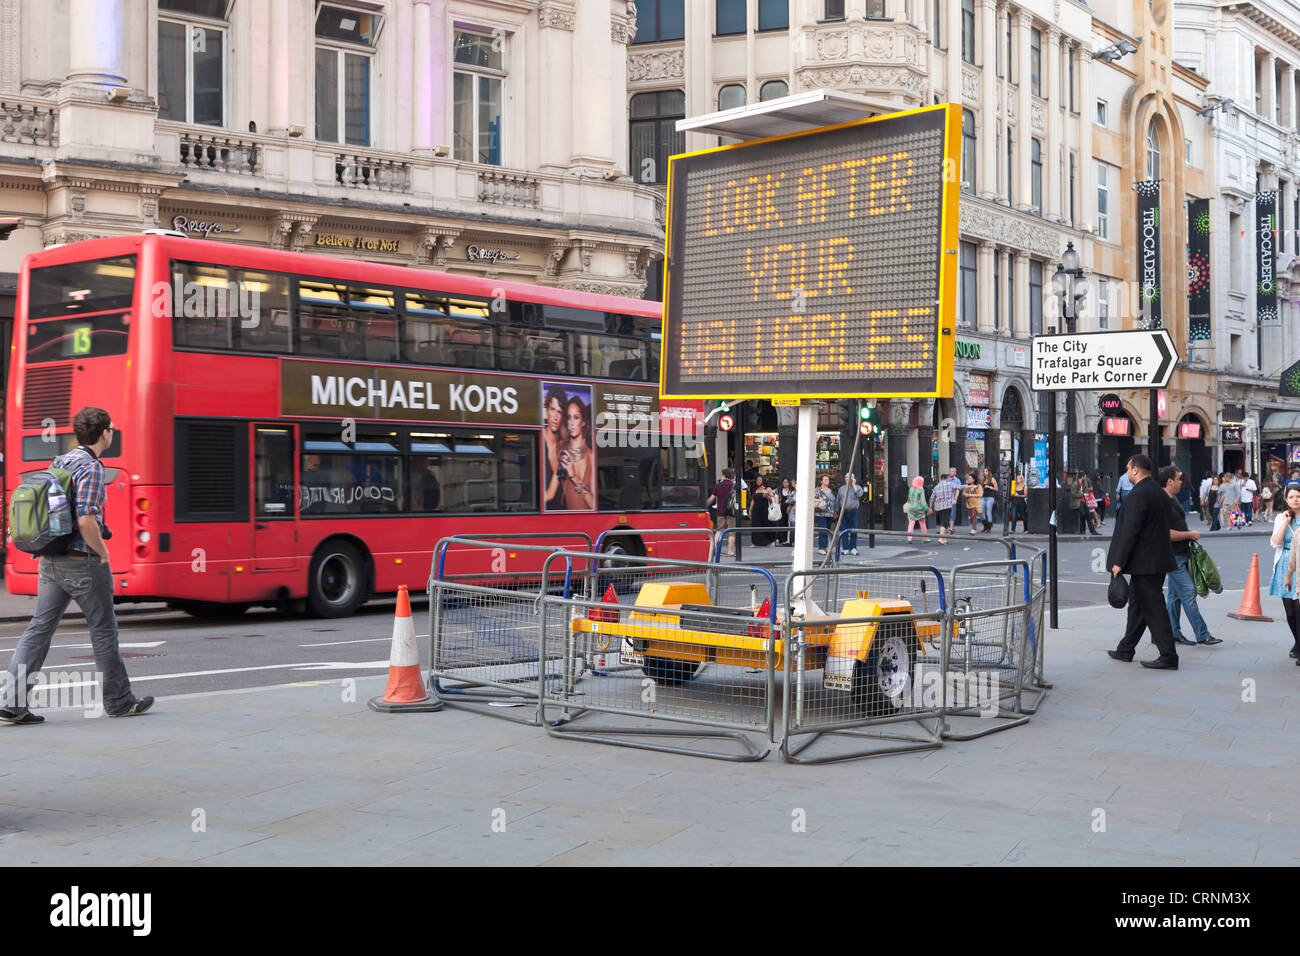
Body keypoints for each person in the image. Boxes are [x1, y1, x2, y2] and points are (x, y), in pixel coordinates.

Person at [1, 407, 153, 723]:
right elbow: (85, 519)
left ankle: (12, 702)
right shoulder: (93, 468)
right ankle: (120, 701)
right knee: (103, 630)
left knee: (39, 628)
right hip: (81, 562)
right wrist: (104, 552)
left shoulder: (61, 461)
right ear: (105, 433)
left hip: (50, 559)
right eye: (111, 429)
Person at [1106, 454, 1179, 670]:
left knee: (1154, 609)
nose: (1127, 472)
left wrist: (1119, 561)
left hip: (1146, 562)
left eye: (1128, 468)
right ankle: (1125, 649)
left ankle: (1168, 656)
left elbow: (1131, 531)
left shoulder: (1139, 494)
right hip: (1154, 560)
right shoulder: (1157, 491)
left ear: (1136, 469)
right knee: (1138, 606)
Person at [1160, 466, 1221, 648]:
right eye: (1179, 479)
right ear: (1169, 481)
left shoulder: (1173, 499)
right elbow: (1165, 533)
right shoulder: (1163, 502)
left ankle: (1173, 632)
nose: (1182, 482)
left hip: (1181, 553)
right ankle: (1202, 634)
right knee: (1189, 592)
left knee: (1174, 596)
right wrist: (1189, 535)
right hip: (1172, 556)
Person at [1273, 483, 1300, 660]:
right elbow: (1276, 542)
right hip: (1285, 564)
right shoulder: (1281, 518)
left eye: (1298, 496)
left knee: (1299, 611)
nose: (1295, 500)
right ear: (1285, 499)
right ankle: (1298, 642)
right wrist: (1286, 522)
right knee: (1290, 612)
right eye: (1291, 497)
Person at [541, 385, 568, 510]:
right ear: (546, 410)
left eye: (560, 412)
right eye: (552, 409)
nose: (556, 417)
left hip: (563, 513)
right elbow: (548, 495)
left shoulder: (564, 446)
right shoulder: (538, 440)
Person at [705, 467, 737, 558]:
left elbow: (711, 498)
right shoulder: (733, 485)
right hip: (731, 511)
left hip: (720, 511)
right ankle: (729, 551)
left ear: (723, 475)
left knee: (719, 530)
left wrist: (704, 505)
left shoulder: (718, 485)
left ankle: (713, 549)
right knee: (731, 531)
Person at [836, 472, 866, 554]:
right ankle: (845, 548)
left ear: (853, 479)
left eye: (849, 477)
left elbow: (859, 494)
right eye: (846, 477)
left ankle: (853, 548)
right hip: (843, 511)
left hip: (853, 511)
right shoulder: (841, 489)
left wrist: (853, 485)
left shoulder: (858, 487)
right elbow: (838, 500)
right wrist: (836, 511)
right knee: (843, 530)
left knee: (853, 530)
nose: (847, 479)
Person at [930, 468, 961, 544]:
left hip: (938, 507)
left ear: (940, 479)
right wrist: (969, 486)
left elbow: (932, 498)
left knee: (942, 522)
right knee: (945, 523)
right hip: (947, 506)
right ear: (946, 478)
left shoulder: (936, 487)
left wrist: (930, 507)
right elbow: (959, 487)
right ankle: (941, 538)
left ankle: (944, 539)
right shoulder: (949, 484)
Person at [750, 474, 776, 548]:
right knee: (755, 525)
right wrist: (750, 510)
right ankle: (756, 543)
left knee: (766, 524)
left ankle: (771, 541)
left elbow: (772, 500)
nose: (758, 481)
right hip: (756, 510)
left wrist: (767, 496)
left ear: (763, 481)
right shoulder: (756, 489)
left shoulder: (768, 489)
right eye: (757, 480)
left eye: (760, 480)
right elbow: (753, 500)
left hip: (765, 510)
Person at [814, 474, 836, 553]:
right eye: (825, 479)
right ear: (821, 481)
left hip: (829, 513)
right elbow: (811, 498)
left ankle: (826, 547)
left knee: (827, 530)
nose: (827, 481)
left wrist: (834, 512)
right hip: (821, 513)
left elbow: (833, 501)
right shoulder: (818, 490)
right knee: (822, 530)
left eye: (828, 479)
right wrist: (818, 500)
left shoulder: (830, 490)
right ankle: (821, 547)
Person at [905, 475, 930, 542]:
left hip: (911, 508)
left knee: (910, 524)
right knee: (922, 524)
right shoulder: (921, 489)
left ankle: (909, 539)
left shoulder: (911, 489)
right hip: (919, 509)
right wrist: (927, 509)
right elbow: (923, 501)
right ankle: (925, 539)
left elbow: (909, 499)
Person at [980, 467, 998, 533]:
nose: (985, 473)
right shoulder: (983, 479)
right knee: (981, 512)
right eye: (984, 471)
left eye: (986, 471)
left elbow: (996, 489)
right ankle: (985, 526)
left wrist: (990, 487)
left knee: (988, 512)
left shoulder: (992, 479)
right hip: (983, 497)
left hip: (990, 497)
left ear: (989, 472)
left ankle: (989, 528)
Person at [779, 477, 795, 546]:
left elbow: (790, 500)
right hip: (782, 508)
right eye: (784, 482)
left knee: (789, 523)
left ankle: (790, 540)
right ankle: (784, 539)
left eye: (787, 482)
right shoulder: (779, 490)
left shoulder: (791, 490)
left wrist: (790, 501)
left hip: (790, 508)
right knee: (782, 523)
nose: (785, 483)